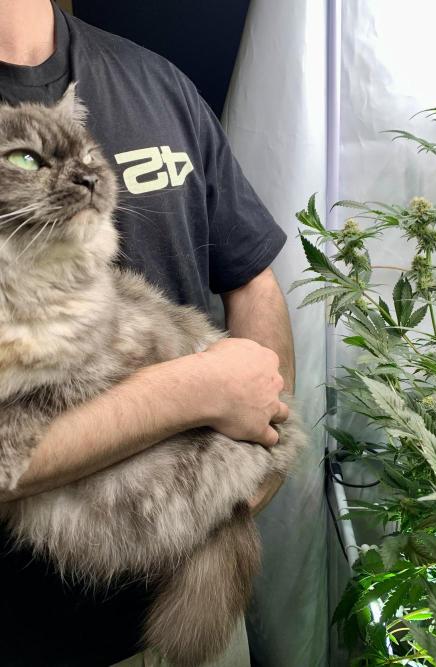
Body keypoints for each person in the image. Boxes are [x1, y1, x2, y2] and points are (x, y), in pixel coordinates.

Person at [0, 1, 296, 666]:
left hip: (201, 580)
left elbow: (251, 278)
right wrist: (198, 390)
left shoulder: (154, 79)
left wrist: (256, 460)